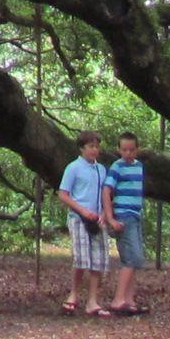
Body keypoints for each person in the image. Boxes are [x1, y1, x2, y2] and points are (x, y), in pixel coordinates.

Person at [56, 130, 111, 316]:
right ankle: (73, 294)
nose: (94, 150)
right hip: (79, 218)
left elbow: (106, 195)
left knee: (98, 260)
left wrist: (104, 213)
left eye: (96, 146)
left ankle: (93, 301)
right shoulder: (73, 168)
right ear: (82, 148)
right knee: (81, 258)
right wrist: (81, 210)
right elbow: (63, 194)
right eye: (90, 146)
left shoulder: (101, 169)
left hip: (97, 220)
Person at [98, 131, 151, 316]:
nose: (128, 153)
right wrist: (111, 217)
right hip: (123, 216)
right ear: (118, 150)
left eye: (132, 150)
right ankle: (118, 300)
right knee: (131, 258)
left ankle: (129, 299)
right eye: (124, 150)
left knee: (135, 259)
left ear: (137, 149)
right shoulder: (116, 167)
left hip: (135, 215)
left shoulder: (139, 167)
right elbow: (106, 191)